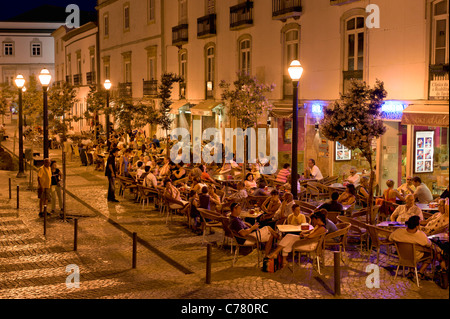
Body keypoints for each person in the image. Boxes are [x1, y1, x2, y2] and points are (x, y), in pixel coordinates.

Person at [389, 215, 432, 280]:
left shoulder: (398, 232)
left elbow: (390, 238)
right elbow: (429, 244)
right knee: (430, 254)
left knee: (410, 252)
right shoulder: (421, 235)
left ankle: (411, 271)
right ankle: (420, 273)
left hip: (402, 255)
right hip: (415, 256)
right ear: (417, 226)